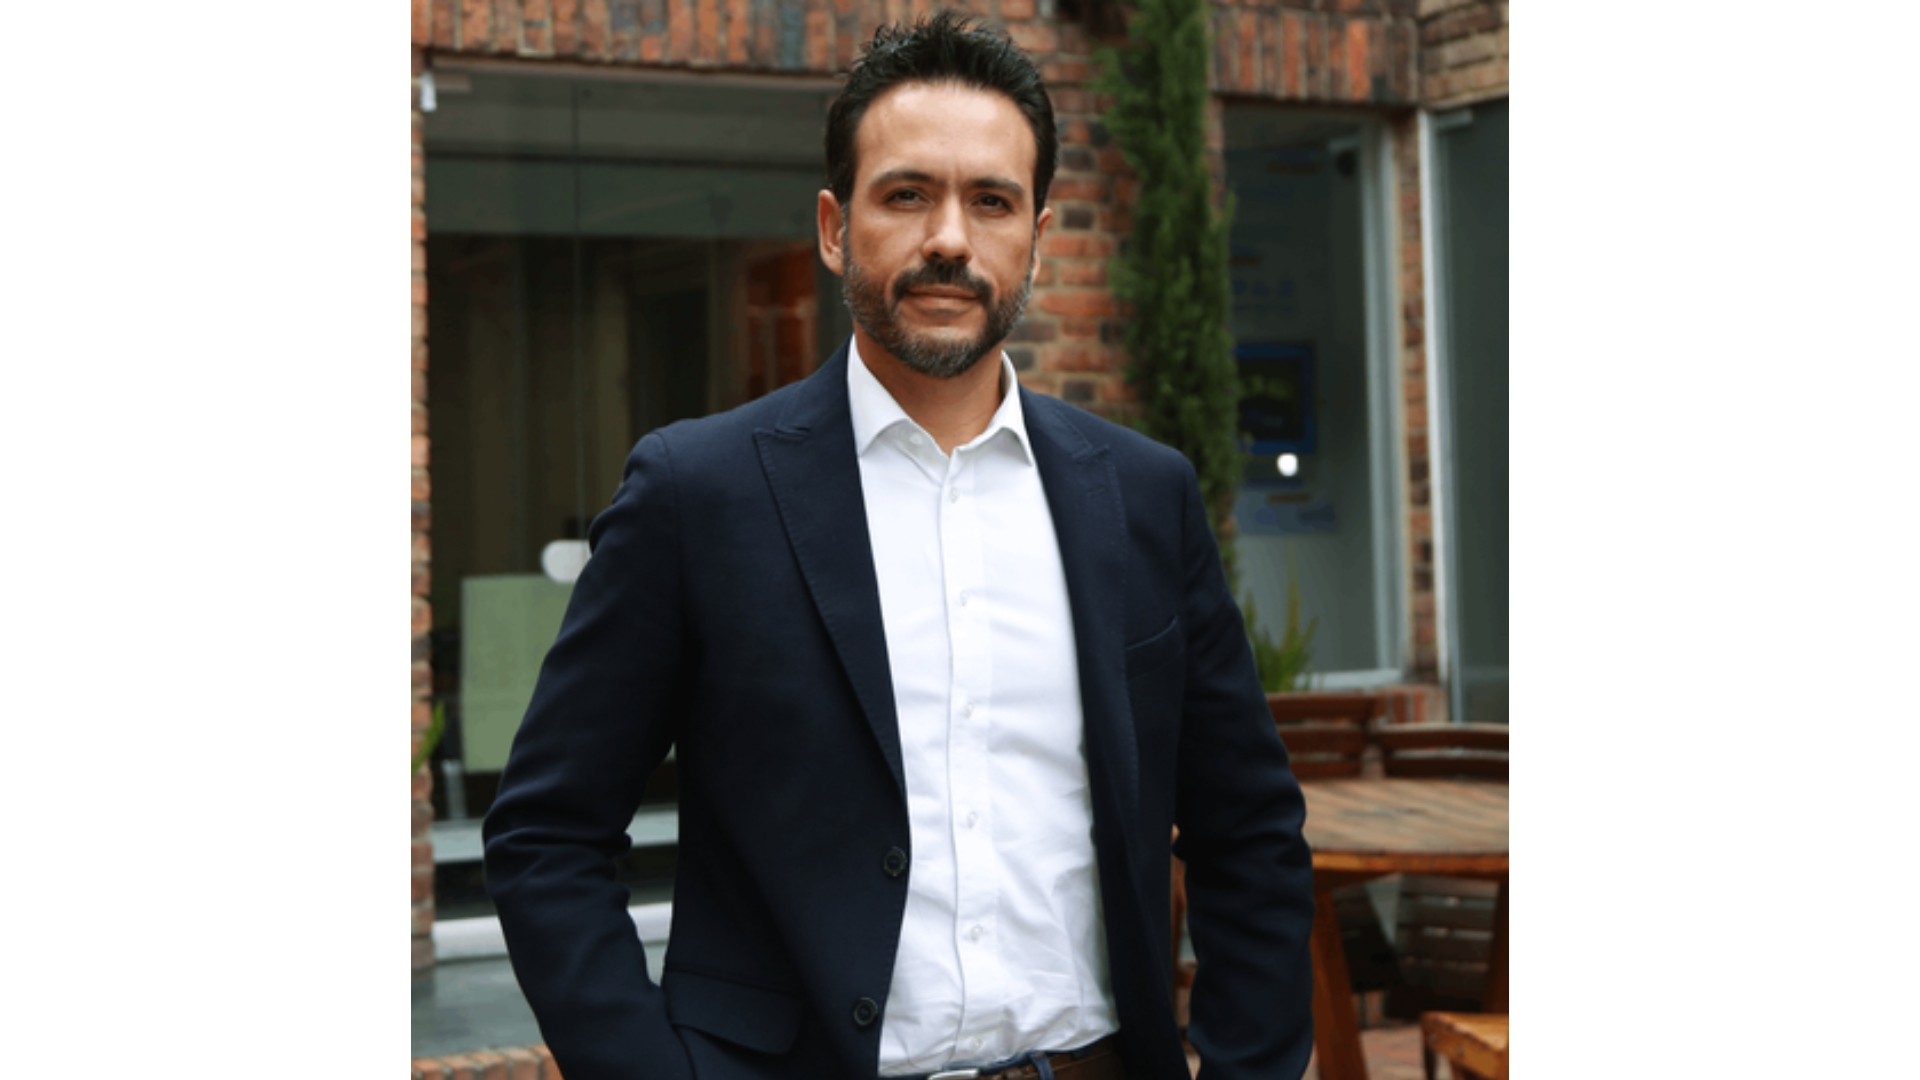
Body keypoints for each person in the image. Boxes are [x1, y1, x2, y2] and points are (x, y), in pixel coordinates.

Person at [483, 12, 1315, 1080]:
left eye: (992, 201)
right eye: (908, 194)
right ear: (835, 228)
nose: (950, 239)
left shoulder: (1143, 496)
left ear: (1037, 238)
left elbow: (1249, 830)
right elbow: (547, 834)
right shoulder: (698, 494)